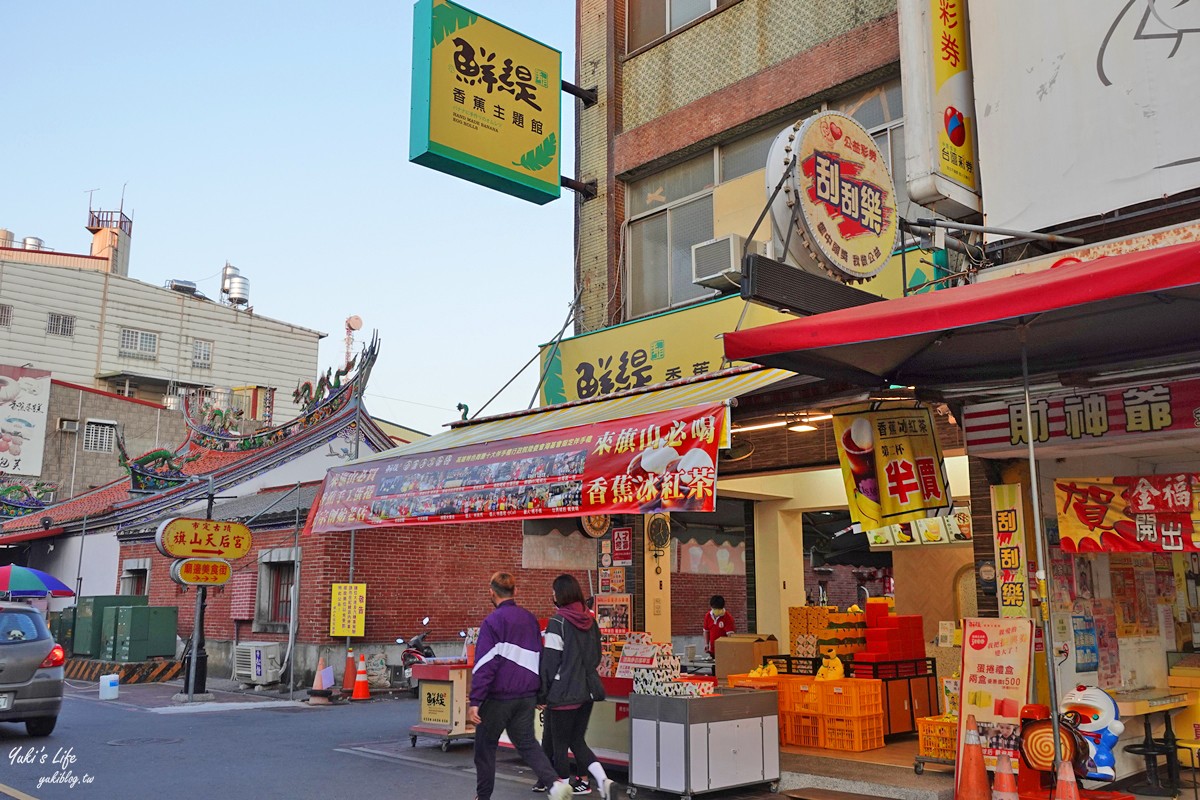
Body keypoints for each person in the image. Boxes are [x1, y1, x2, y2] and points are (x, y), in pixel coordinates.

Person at [469, 572, 573, 800]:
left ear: (491, 593)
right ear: (515, 591)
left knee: (485, 747)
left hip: (498, 697)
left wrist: (476, 700)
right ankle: (554, 784)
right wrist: (540, 694)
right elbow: (541, 657)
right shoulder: (529, 619)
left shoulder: (492, 622)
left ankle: (483, 796)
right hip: (526, 696)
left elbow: (485, 663)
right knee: (527, 743)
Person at [538, 573, 615, 800]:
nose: (552, 596)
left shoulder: (557, 622)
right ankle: (603, 781)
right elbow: (597, 657)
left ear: (560, 594)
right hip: (587, 691)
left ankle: (561, 788)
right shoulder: (591, 621)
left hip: (563, 694)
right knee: (577, 740)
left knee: (559, 743)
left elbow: (550, 663)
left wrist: (542, 693)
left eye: (553, 592)